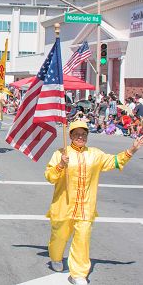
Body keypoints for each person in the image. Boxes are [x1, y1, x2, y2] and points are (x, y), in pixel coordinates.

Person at [44, 120, 143, 285]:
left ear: (87, 136)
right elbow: (50, 177)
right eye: (76, 134)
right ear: (70, 136)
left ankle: (78, 273)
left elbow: (113, 162)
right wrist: (61, 164)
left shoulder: (95, 154)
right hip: (63, 206)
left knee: (82, 238)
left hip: (85, 207)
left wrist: (131, 150)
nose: (80, 137)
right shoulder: (61, 153)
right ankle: (55, 256)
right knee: (59, 236)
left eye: (83, 134)